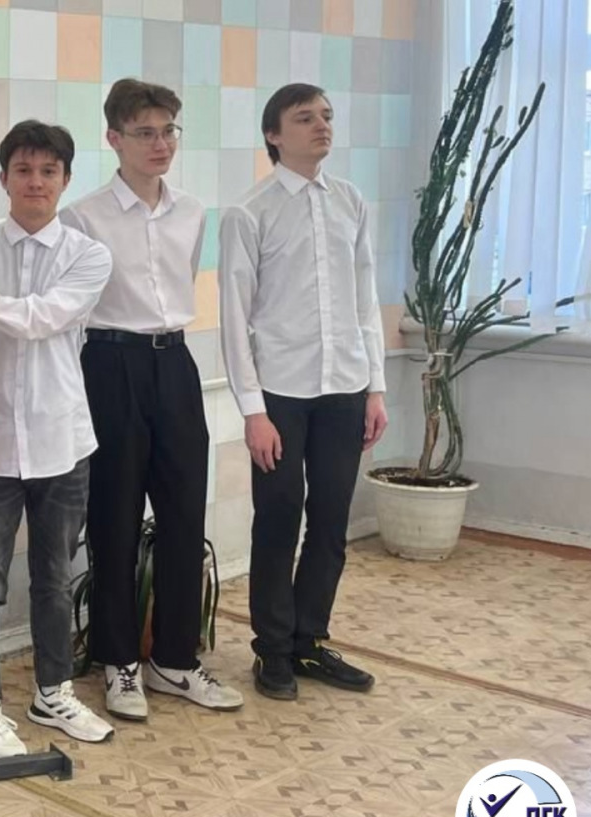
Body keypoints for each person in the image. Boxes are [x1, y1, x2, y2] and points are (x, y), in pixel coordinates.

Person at [64, 79, 244, 722]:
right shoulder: (83, 217)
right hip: (110, 362)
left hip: (175, 362)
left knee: (183, 512)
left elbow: (181, 282)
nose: (161, 143)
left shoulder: (191, 212)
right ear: (114, 139)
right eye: (145, 132)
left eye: (169, 130)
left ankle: (174, 659)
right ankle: (119, 661)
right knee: (114, 516)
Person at [218, 83, 389, 701]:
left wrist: (375, 388)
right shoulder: (249, 212)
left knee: (331, 520)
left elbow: (365, 299)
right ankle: (273, 649)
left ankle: (309, 641)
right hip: (281, 395)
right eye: (304, 118)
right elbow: (234, 318)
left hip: (345, 386)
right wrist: (253, 411)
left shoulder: (350, 202)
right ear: (274, 134)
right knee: (279, 517)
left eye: (327, 116)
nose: (322, 126)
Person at [0, 120, 116, 761]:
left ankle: (53, 691)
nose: (35, 182)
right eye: (23, 170)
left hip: (61, 441)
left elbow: (43, 318)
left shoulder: (87, 254)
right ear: (3, 179)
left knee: (53, 579)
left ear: (65, 180)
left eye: (48, 171)